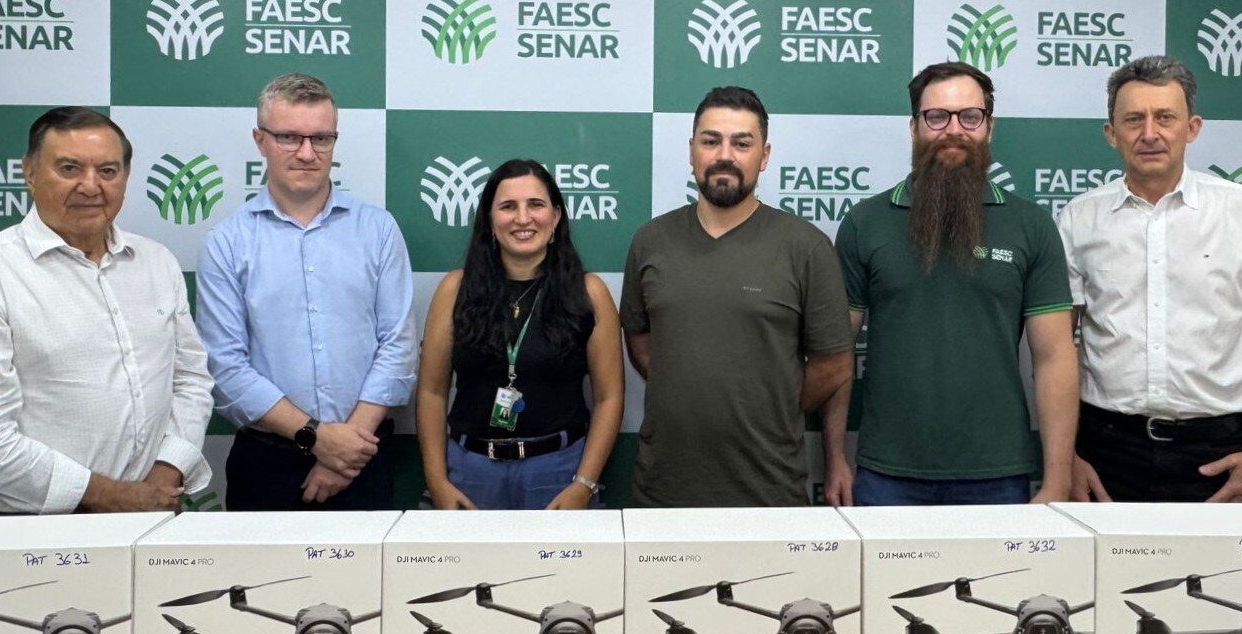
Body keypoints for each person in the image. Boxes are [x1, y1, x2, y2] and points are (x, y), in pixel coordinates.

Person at [1056, 55, 1242, 503]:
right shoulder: (1079, 219)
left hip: (1217, 453)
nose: (1150, 133)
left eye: (1165, 118)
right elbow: (1056, 347)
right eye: (1134, 119)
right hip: (1105, 453)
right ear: (1111, 133)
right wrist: (1066, 456)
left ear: (1192, 128)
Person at [0, 107, 212, 514]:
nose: (90, 186)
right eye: (69, 168)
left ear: (126, 177)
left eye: (108, 171)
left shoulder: (156, 262)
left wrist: (165, 474)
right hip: (32, 523)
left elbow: (190, 381)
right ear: (29, 172)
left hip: (152, 508)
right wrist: (110, 495)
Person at [823, 62, 1079, 507]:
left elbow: (1054, 357)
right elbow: (836, 353)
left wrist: (1057, 480)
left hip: (998, 474)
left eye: (970, 117)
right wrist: (834, 459)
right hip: (886, 474)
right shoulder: (866, 222)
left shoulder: (1031, 225)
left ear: (990, 127)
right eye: (937, 116)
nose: (954, 130)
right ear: (914, 127)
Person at [620, 86, 852, 507]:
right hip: (663, 488)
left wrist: (769, 405)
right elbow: (640, 343)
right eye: (711, 141)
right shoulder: (650, 241)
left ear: (764, 156)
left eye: (742, 144)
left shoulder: (806, 247)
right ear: (691, 151)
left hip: (768, 489)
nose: (724, 155)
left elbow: (834, 365)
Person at [196, 74, 416, 510]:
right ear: (260, 140)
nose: (306, 152)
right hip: (266, 464)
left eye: (321, 138)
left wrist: (344, 452)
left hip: (364, 457)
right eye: (289, 137)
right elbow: (225, 367)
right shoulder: (227, 242)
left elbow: (399, 348)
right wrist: (317, 438)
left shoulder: (377, 229)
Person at [415, 159, 623, 509]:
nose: (523, 218)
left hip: (559, 473)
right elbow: (431, 392)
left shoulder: (589, 293)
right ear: (489, 220)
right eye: (508, 206)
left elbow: (610, 398)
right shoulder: (455, 290)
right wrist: (437, 481)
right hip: (470, 473)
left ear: (555, 217)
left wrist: (583, 484)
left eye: (536, 205)